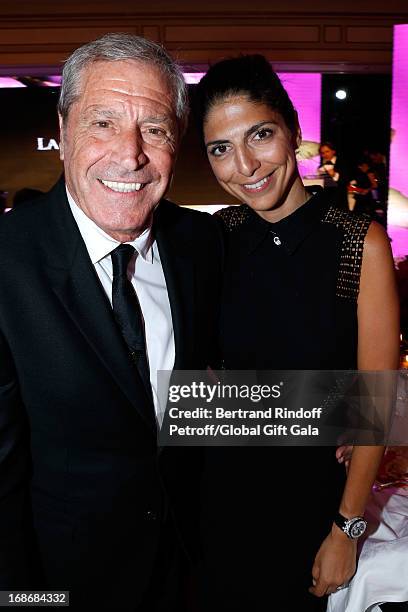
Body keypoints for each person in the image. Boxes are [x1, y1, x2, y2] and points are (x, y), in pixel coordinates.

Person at [0, 33, 223, 611]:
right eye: (103, 122)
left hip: (192, 572)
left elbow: (203, 406)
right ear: (63, 126)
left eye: (154, 129)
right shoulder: (6, 263)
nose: (130, 156)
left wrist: (361, 413)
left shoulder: (202, 244)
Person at [193, 55, 400, 611]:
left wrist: (346, 529)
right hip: (219, 494)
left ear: (294, 133)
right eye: (220, 149)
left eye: (260, 134)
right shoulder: (213, 239)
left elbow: (375, 399)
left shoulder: (360, 242)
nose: (245, 165)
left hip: (312, 503)